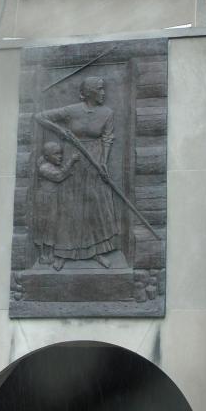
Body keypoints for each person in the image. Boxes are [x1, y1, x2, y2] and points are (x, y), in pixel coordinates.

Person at [34, 76, 119, 270]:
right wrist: (61, 131)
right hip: (72, 161)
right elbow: (40, 117)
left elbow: (108, 138)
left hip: (94, 162)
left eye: (103, 88)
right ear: (89, 92)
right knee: (69, 208)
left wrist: (104, 162)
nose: (104, 93)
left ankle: (96, 252)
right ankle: (63, 253)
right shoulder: (72, 110)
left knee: (94, 207)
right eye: (100, 89)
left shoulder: (107, 113)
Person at [31, 141, 79, 268]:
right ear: (47, 156)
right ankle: (42, 254)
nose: (60, 156)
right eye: (56, 154)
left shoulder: (52, 165)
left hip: (53, 200)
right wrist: (71, 161)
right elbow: (59, 176)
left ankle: (51, 253)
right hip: (44, 201)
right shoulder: (44, 168)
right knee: (43, 226)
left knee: (52, 227)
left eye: (61, 153)